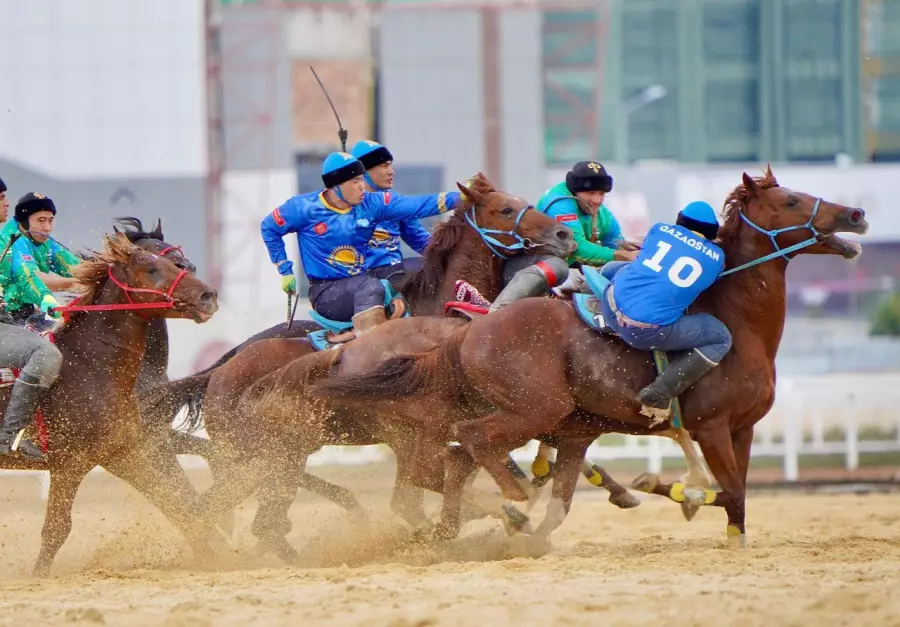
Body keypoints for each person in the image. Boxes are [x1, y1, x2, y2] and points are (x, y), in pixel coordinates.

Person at [261, 151, 463, 336]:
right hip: (326, 292)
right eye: (355, 181)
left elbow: (418, 205)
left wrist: (462, 197)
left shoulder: (371, 203)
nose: (362, 186)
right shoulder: (302, 208)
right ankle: (369, 351)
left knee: (427, 269)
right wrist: (285, 269)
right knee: (371, 287)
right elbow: (269, 227)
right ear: (337, 185)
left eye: (362, 179)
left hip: (362, 280)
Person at [598, 200, 732, 413]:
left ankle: (583, 285)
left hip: (609, 302)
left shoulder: (660, 229)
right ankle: (660, 392)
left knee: (624, 268)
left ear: (681, 220)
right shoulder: (718, 259)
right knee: (720, 337)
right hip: (644, 333)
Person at [486, 160, 633, 313]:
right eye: (591, 193)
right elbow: (578, 248)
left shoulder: (603, 215)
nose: (597, 200)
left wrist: (629, 257)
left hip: (564, 274)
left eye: (601, 194)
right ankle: (497, 311)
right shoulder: (559, 203)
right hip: (523, 267)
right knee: (558, 266)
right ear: (575, 190)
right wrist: (622, 255)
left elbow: (616, 244)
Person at [0, 193, 77, 462]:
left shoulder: (43, 241)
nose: (47, 226)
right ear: (24, 220)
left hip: (24, 316)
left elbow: (76, 267)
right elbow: (28, 279)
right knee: (46, 353)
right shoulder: (13, 241)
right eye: (40, 220)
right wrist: (48, 300)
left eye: (50, 220)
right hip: (13, 318)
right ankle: (14, 436)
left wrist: (104, 272)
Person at [349, 140, 431, 289]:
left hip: (394, 272)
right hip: (361, 280)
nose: (391, 171)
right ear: (365, 171)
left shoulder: (394, 202)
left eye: (390, 165)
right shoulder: (344, 204)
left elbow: (420, 240)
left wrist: (453, 253)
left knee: (441, 268)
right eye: (384, 165)